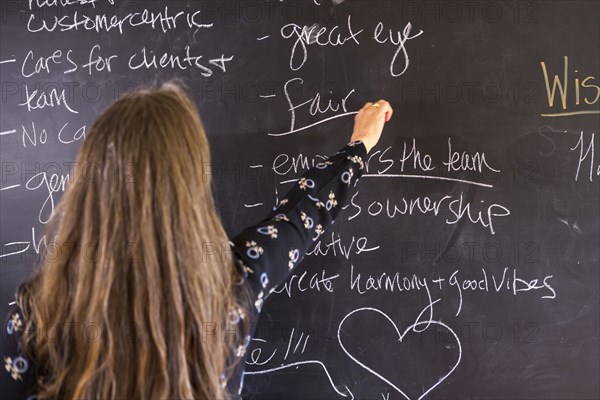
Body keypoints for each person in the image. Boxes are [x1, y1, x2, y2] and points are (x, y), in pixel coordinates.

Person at [1, 82, 393, 399]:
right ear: (191, 187)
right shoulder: (234, 285)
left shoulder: (39, 310)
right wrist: (359, 146)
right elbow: (302, 216)